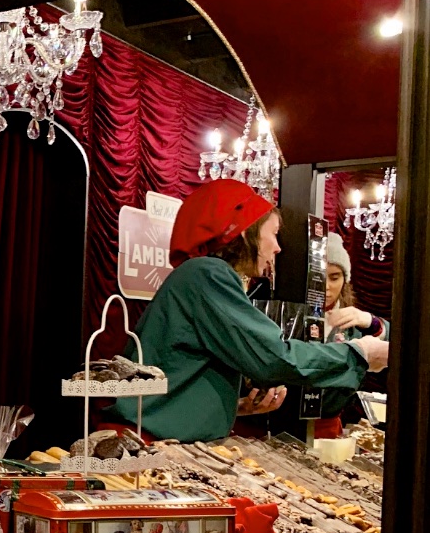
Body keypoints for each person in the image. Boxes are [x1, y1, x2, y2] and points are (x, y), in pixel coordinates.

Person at [121, 179, 387, 442]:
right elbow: (273, 357)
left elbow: (182, 374)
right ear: (247, 232)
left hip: (154, 435)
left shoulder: (201, 276)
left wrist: (237, 408)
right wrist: (358, 354)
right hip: (144, 442)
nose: (277, 247)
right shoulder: (207, 274)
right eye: (273, 234)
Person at [317, 231, 389, 437]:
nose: (328, 286)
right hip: (281, 424)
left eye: (335, 277)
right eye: (321, 276)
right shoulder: (288, 315)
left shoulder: (353, 321)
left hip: (328, 429)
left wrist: (371, 321)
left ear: (345, 279)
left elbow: (403, 345)